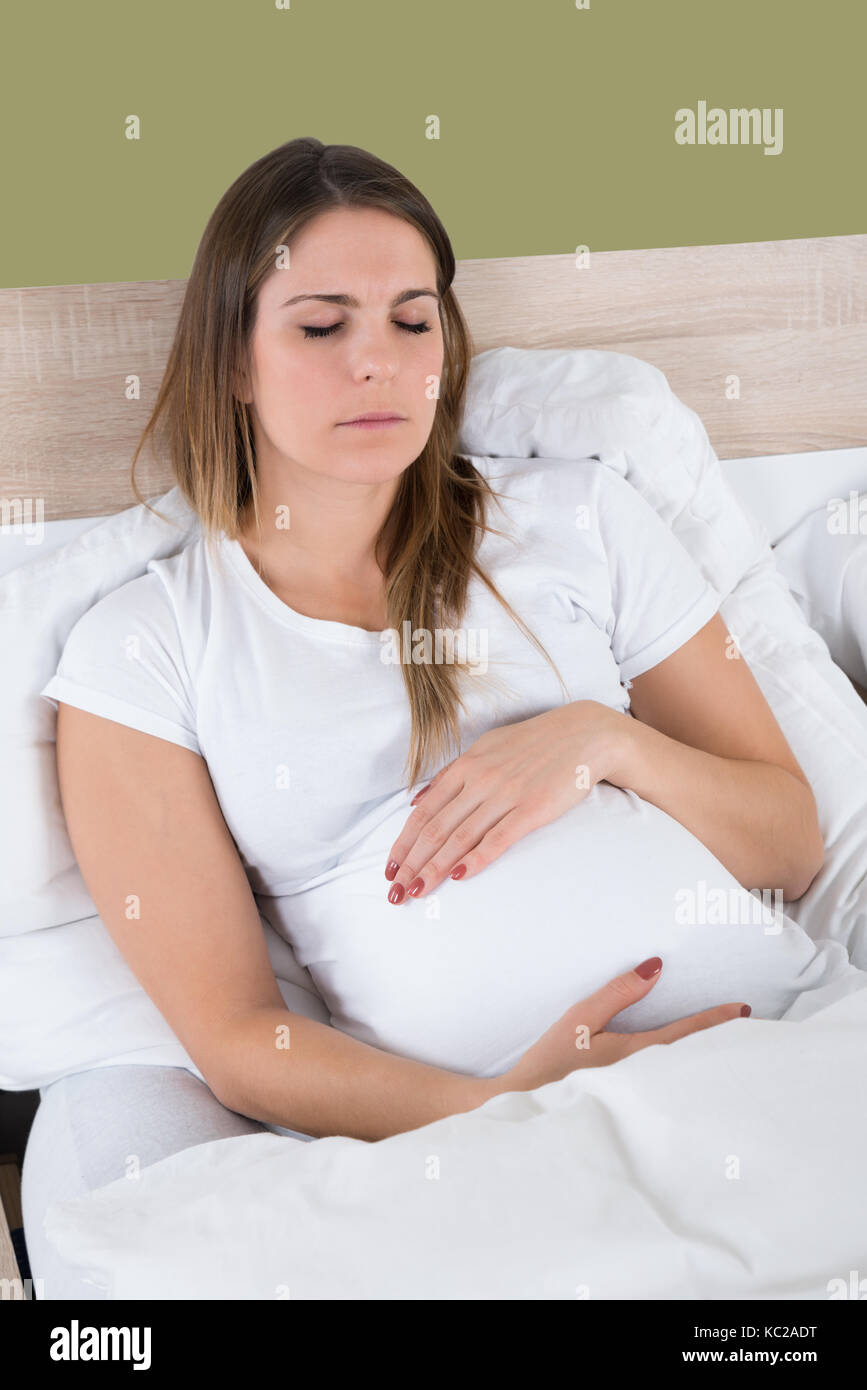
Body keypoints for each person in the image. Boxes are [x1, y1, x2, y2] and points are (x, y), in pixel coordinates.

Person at [23, 138, 851, 1299]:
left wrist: (601, 741)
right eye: (322, 326)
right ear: (236, 362)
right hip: (496, 1135)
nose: (380, 362)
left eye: (414, 320)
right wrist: (506, 1104)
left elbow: (791, 839)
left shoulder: (581, 519)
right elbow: (238, 1039)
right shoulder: (147, 650)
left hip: (783, 1048)